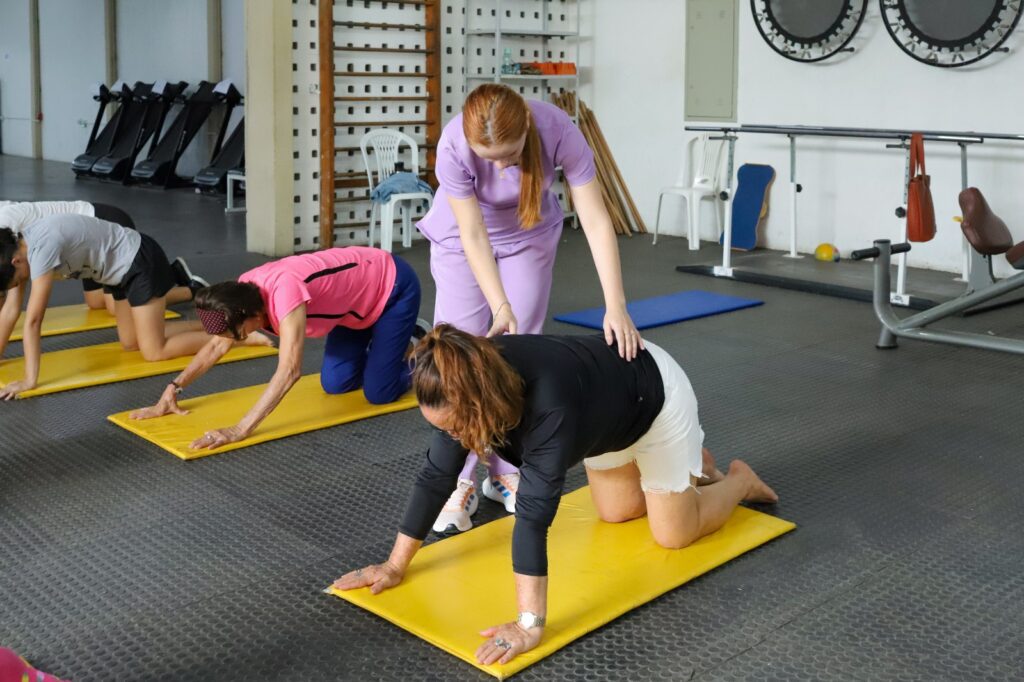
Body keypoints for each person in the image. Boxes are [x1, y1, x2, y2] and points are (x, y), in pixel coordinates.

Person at [333, 325, 778, 666]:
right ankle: (689, 464)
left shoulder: (549, 405)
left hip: (652, 401)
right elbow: (436, 476)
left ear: (479, 404)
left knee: (673, 534)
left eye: (453, 426)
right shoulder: (460, 386)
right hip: (606, 422)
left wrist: (529, 625)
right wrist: (394, 566)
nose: (452, 437)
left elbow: (533, 514)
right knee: (618, 512)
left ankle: (736, 478)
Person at [418, 83, 642, 532]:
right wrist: (499, 302)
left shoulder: (559, 130)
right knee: (459, 358)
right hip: (462, 241)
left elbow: (596, 219)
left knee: (520, 353)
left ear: (526, 132)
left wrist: (615, 305)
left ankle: (505, 472)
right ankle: (460, 481)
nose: (500, 166)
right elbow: (473, 233)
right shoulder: (453, 143)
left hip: (529, 234)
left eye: (510, 155)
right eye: (489, 158)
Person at [129, 247, 426, 450]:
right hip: (351, 311)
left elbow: (290, 370)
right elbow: (216, 346)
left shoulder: (285, 295)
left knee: (379, 392)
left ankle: (421, 347)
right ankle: (385, 345)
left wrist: (240, 429)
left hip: (391, 288)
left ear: (252, 316)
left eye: (238, 333)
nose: (235, 339)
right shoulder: (242, 294)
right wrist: (174, 387)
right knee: (336, 384)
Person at [0, 216, 258, 400]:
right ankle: (214, 324)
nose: (22, 282)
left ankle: (237, 337)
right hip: (116, 274)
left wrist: (29, 380)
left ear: (16, 261)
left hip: (138, 262)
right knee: (131, 342)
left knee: (155, 350)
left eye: (19, 278)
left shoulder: (41, 248)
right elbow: (15, 310)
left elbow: (33, 321)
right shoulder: (24, 247)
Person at [0, 200, 204, 312]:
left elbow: (11, 303)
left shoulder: (5, 227)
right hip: (80, 252)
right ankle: (171, 274)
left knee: (116, 307)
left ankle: (191, 290)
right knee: (96, 302)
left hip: (100, 226)